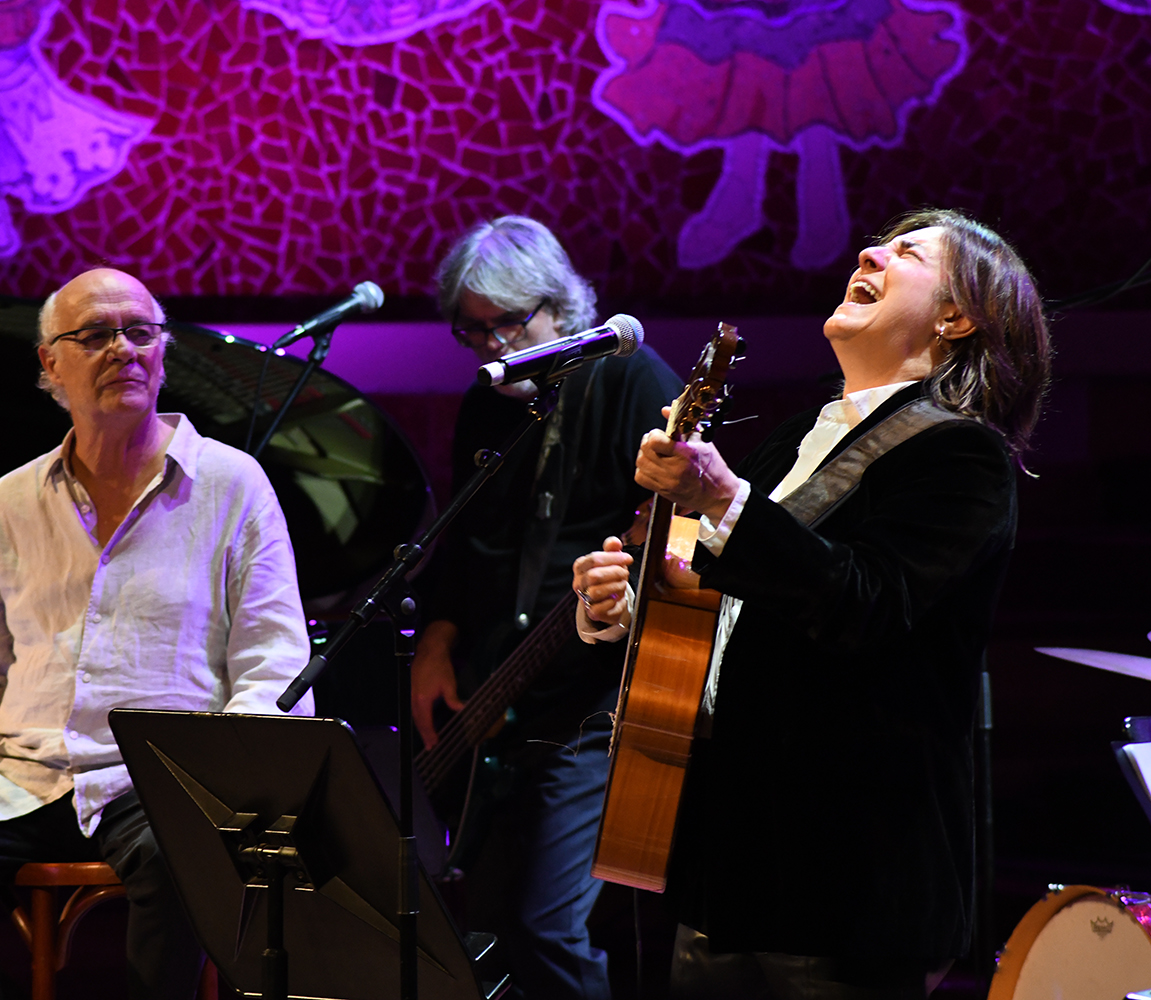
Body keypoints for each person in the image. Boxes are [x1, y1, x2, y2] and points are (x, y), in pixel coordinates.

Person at [573, 209, 1051, 999]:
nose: (868, 253)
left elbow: (867, 604)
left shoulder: (962, 456)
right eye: (878, 244)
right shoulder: (792, 438)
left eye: (906, 253)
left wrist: (724, 499)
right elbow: (723, 608)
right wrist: (624, 610)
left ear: (955, 318)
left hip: (844, 881)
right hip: (725, 865)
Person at [0, 268, 314, 1000]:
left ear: (162, 351)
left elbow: (274, 663)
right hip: (20, 780)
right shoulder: (10, 500)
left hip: (157, 780)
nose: (123, 349)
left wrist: (223, 775)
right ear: (50, 363)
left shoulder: (233, 483)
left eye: (140, 332)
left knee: (188, 859)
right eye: (94, 335)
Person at [412, 216, 681, 999]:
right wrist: (435, 640)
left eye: (508, 323)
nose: (491, 346)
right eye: (472, 331)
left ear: (560, 309)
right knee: (486, 934)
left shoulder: (633, 380)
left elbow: (682, 534)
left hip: (596, 702)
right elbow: (468, 546)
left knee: (547, 928)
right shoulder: (488, 402)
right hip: (498, 693)